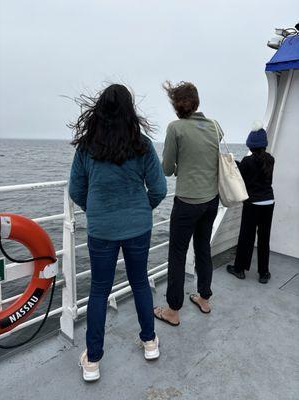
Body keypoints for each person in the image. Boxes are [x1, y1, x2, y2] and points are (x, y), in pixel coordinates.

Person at [69, 84, 167, 382]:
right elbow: (160, 189)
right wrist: (140, 209)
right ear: (129, 111)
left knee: (99, 291)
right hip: (139, 227)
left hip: (102, 230)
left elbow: (76, 190)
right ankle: (150, 342)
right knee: (139, 283)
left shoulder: (87, 147)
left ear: (99, 110)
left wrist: (97, 212)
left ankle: (93, 361)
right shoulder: (143, 144)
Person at [154, 81, 224, 326]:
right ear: (197, 102)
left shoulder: (175, 129)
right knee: (203, 248)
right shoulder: (215, 126)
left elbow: (166, 169)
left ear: (176, 106)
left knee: (178, 254)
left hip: (186, 203)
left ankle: (173, 311)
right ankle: (204, 298)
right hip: (211, 200)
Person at [227, 122, 275, 284]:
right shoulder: (271, 160)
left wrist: (235, 163)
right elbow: (259, 174)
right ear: (264, 144)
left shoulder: (247, 162)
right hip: (269, 202)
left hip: (253, 204)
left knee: (246, 236)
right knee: (264, 238)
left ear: (250, 145)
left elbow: (242, 176)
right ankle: (264, 273)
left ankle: (239, 269)